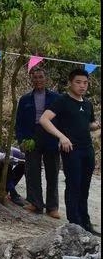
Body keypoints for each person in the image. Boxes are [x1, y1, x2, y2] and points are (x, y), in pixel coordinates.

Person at [40, 68, 100, 234]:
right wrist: (62, 137)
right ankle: (74, 224)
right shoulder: (62, 101)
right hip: (71, 149)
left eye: (85, 83)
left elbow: (89, 124)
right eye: (78, 82)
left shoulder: (87, 104)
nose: (82, 86)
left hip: (87, 149)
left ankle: (85, 222)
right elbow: (44, 120)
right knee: (73, 185)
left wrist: (96, 126)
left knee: (85, 187)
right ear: (70, 83)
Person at [16, 67, 62, 218]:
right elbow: (19, 122)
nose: (38, 80)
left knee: (52, 171)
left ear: (46, 78)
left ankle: (52, 207)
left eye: (41, 77)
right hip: (31, 136)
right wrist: (21, 140)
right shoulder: (25, 99)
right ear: (31, 79)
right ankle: (35, 203)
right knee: (32, 170)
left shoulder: (56, 98)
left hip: (50, 135)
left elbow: (62, 120)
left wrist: (61, 137)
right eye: (35, 78)